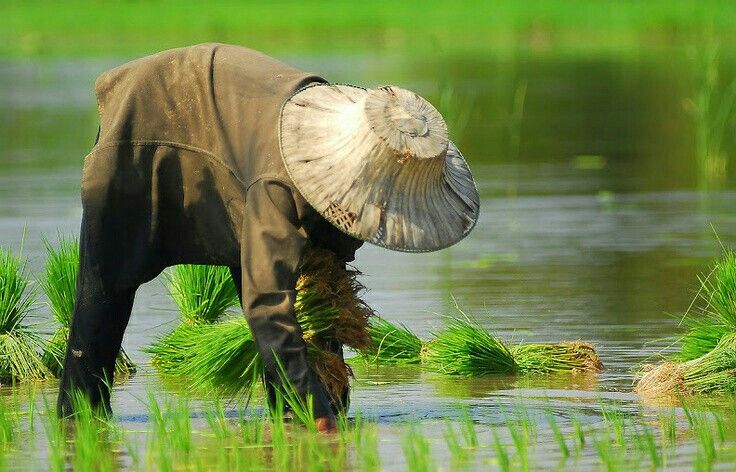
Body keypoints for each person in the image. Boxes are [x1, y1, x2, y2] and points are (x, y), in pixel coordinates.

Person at [57, 43, 480, 432]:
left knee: (315, 289)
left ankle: (294, 421)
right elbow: (265, 303)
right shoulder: (286, 180)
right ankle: (78, 428)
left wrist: (326, 394)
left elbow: (322, 274)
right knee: (104, 294)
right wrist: (316, 411)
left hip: (235, 132)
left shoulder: (356, 149)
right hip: (154, 117)